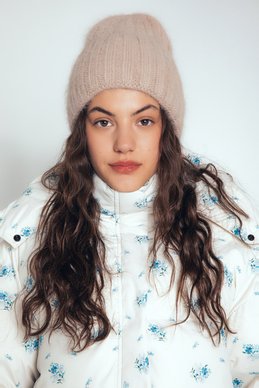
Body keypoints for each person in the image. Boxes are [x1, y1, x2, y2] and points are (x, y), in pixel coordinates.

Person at [0, 13, 258, 388]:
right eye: (104, 121)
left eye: (143, 121)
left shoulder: (222, 228)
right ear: (82, 129)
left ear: (166, 127)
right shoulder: (31, 232)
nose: (124, 143)